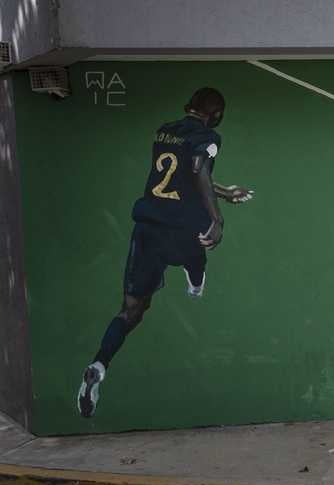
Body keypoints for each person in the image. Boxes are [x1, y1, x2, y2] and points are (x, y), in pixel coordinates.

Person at [77, 87, 255, 418]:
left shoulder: (165, 132)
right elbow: (199, 168)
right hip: (181, 228)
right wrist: (218, 217)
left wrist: (224, 191)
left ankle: (99, 363)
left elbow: (181, 173)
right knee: (202, 243)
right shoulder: (209, 136)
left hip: (146, 228)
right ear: (215, 115)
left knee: (130, 310)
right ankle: (195, 282)